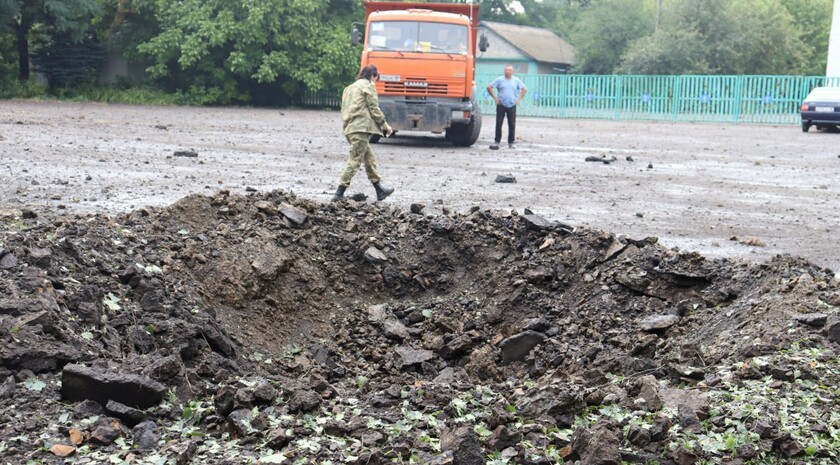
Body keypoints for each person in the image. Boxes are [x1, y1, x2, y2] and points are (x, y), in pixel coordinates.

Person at [332, 64, 395, 202]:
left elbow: (344, 109)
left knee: (369, 158)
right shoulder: (368, 85)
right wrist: (385, 126)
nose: (376, 80)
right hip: (360, 129)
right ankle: (338, 194)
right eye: (376, 77)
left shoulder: (349, 88)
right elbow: (374, 108)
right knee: (354, 160)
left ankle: (379, 189)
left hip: (350, 128)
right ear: (373, 75)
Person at [486, 65, 527, 149]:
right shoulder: (499, 80)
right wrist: (495, 98)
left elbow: (524, 89)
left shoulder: (516, 80)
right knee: (499, 123)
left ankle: (511, 142)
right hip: (501, 104)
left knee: (512, 124)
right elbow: (489, 87)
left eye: (509, 70)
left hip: (512, 105)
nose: (507, 71)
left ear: (512, 72)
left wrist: (518, 98)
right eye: (506, 70)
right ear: (504, 71)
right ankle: (497, 141)